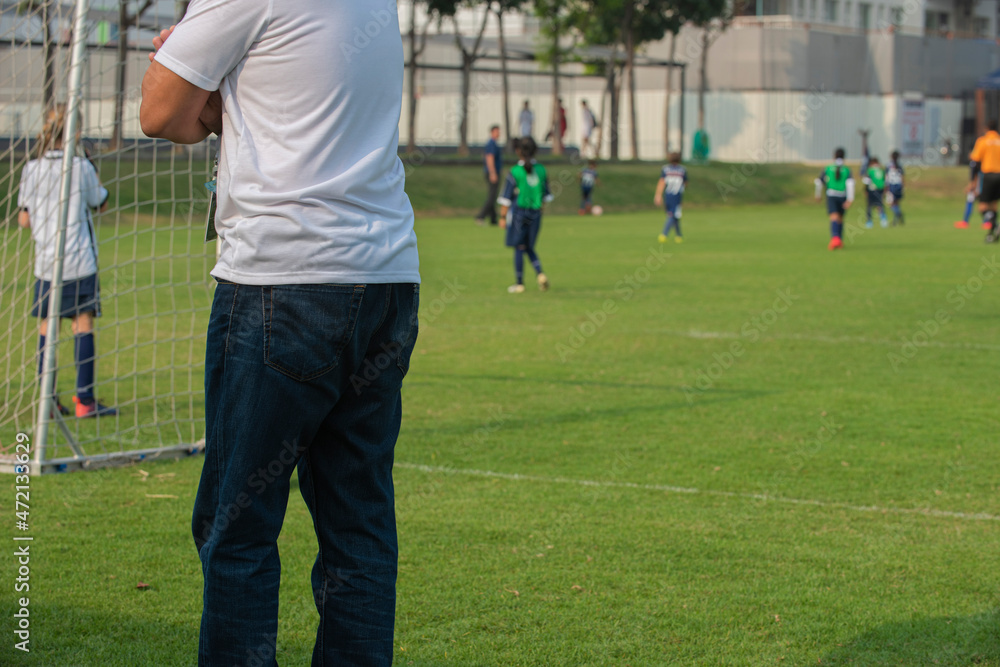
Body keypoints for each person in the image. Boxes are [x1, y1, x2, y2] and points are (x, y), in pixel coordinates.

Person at [139, 0, 420, 663]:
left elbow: (161, 114)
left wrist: (179, 61)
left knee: (237, 528)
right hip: (385, 278)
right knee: (359, 525)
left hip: (283, 279)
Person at [18, 104, 115, 418]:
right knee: (81, 323)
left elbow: (23, 220)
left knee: (48, 327)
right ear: (75, 132)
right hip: (78, 260)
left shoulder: (31, 168)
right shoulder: (80, 166)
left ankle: (47, 401)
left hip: (46, 262)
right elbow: (99, 203)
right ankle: (84, 401)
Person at [497, 137, 550, 293]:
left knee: (519, 247)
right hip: (536, 213)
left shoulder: (515, 171)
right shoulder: (541, 170)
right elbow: (546, 196)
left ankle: (519, 283)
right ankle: (540, 274)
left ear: (518, 151)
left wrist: (502, 217)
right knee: (529, 246)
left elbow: (506, 198)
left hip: (520, 213)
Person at [814, 147, 854, 250]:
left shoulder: (828, 168)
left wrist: (818, 195)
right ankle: (838, 240)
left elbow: (819, 182)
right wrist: (850, 199)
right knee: (840, 218)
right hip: (843, 195)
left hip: (831, 195)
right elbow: (850, 184)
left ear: (834, 156)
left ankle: (835, 239)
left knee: (834, 217)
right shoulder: (846, 169)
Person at [969, 119, 1000, 243]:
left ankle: (995, 226)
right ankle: (991, 234)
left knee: (982, 207)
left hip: (988, 175)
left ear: (986, 128)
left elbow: (975, 162)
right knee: (993, 205)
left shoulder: (983, 141)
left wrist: (973, 181)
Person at [654, 152, 687, 244]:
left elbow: (662, 182)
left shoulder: (665, 169)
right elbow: (685, 183)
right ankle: (664, 234)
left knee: (674, 215)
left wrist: (658, 195)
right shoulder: (682, 170)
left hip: (668, 195)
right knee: (673, 215)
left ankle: (679, 236)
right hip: (677, 196)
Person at [476, 125, 503, 226]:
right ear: (492, 132)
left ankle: (493, 219)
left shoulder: (494, 144)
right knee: (492, 196)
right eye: (497, 131)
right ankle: (480, 216)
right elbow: (489, 158)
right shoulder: (491, 144)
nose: (498, 133)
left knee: (493, 195)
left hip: (494, 172)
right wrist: (493, 173)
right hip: (492, 172)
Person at [862, 156, 888, 229]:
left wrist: (865, 190)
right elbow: (885, 181)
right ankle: (883, 219)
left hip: (872, 189)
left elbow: (867, 181)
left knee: (869, 206)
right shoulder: (881, 170)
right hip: (880, 189)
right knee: (880, 205)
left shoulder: (870, 170)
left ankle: (869, 222)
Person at [886, 150, 905, 226]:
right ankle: (896, 219)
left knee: (891, 204)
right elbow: (902, 177)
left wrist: (885, 187)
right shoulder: (899, 166)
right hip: (899, 186)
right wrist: (903, 186)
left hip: (892, 186)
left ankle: (898, 214)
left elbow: (887, 177)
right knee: (896, 203)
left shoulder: (889, 166)